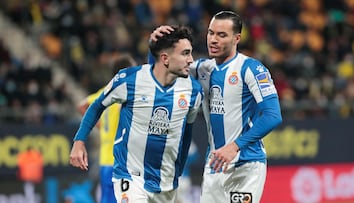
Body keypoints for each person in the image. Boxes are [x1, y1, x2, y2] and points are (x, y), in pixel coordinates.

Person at [150, 10, 283, 203]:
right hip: (214, 165)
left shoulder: (252, 69)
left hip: (245, 165)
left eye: (221, 35)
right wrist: (154, 46)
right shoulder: (202, 69)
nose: (213, 39)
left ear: (236, 38)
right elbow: (159, 77)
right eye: (211, 33)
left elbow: (273, 115)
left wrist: (235, 146)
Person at [69, 25, 203, 203]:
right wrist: (79, 141)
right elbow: (95, 106)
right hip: (130, 175)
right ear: (165, 58)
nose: (191, 60)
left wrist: (178, 168)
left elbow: (186, 133)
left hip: (164, 180)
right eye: (185, 53)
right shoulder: (129, 80)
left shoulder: (193, 91)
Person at [77, 53, 136, 203]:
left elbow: (82, 105)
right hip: (120, 160)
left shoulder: (105, 91)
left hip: (105, 160)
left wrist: (101, 125)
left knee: (106, 199)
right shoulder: (125, 93)